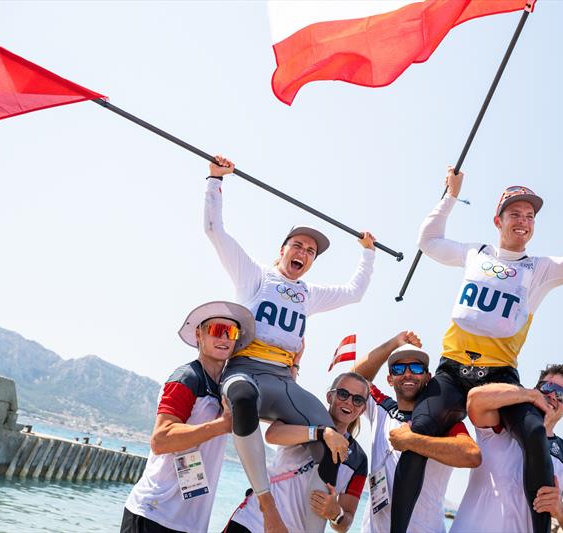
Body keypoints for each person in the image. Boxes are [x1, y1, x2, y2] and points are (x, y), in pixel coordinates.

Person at [391, 167, 563, 533]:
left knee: (533, 434)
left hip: (499, 376)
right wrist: (449, 197)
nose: (523, 221)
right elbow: (429, 240)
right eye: (515, 214)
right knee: (419, 433)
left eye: (530, 216)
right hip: (451, 372)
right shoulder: (475, 253)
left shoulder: (541, 269)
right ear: (498, 220)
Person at [204, 156, 376, 533]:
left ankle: (310, 527)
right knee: (243, 398)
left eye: (310, 252)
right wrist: (215, 181)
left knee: (333, 438)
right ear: (282, 250)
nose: (302, 253)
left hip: (284, 380)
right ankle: (265, 504)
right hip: (246, 371)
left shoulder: (309, 294)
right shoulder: (254, 276)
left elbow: (355, 291)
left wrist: (367, 251)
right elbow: (216, 231)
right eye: (297, 245)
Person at [122, 301, 256, 533]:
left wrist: (293, 363)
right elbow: (161, 439)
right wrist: (221, 426)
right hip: (154, 512)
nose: (224, 338)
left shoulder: (225, 387)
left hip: (191, 524)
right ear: (199, 334)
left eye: (231, 332)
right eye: (216, 330)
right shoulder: (186, 378)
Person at [351, 331, 481, 533]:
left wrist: (413, 441)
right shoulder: (382, 408)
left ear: (428, 377)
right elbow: (354, 379)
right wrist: (394, 343)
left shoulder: (443, 420)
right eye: (399, 368)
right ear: (390, 379)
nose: (408, 373)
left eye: (417, 367)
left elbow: (471, 455)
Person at [452, 363, 563, 533]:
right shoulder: (500, 426)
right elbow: (474, 399)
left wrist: (560, 510)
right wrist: (528, 395)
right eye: (547, 387)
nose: (553, 395)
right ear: (536, 389)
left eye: (562, 395)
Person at [224, 372, 370, 533]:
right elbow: (272, 434)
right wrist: (321, 433)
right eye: (343, 394)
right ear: (330, 396)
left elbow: (345, 524)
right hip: (254, 520)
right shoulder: (304, 417)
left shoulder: (358, 459)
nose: (349, 402)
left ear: (363, 409)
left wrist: (336, 514)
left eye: (357, 400)